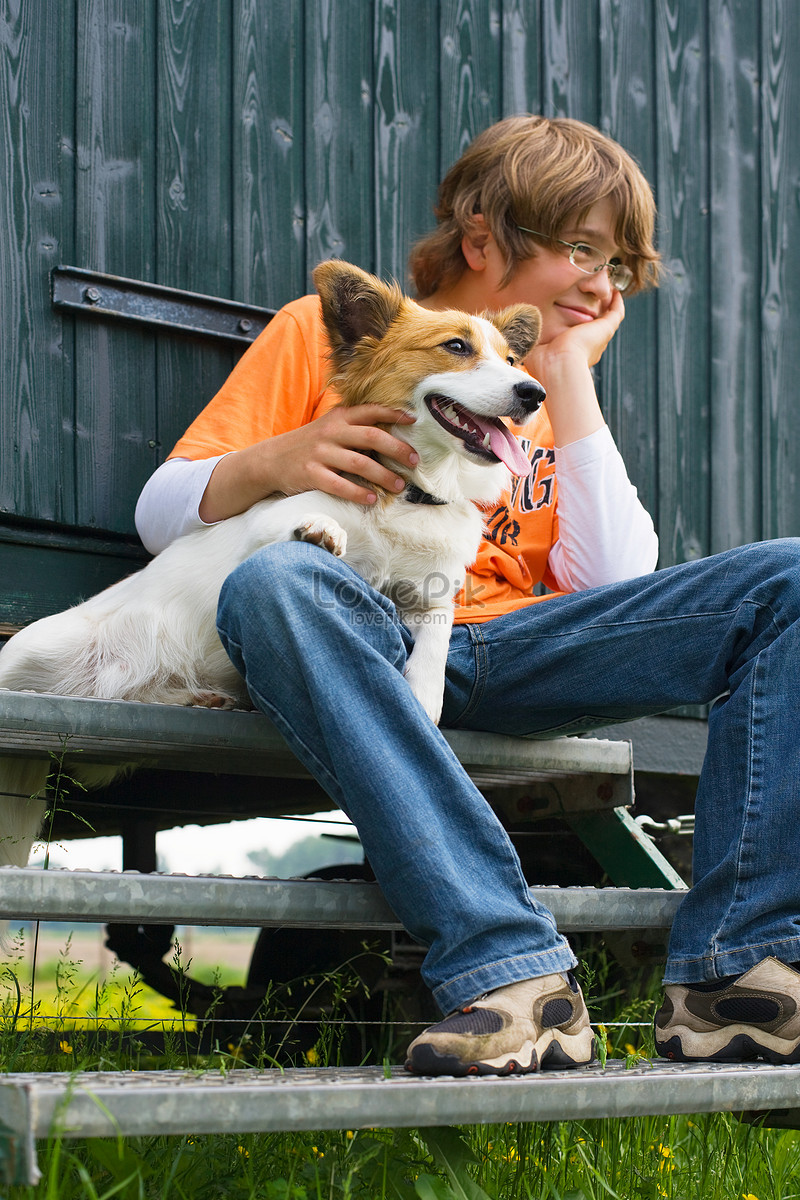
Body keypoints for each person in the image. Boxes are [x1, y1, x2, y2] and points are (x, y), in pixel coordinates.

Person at [135, 114, 800, 1076]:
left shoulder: (524, 391)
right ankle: (511, 973)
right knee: (277, 579)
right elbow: (161, 511)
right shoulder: (328, 338)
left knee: (786, 578)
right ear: (482, 237)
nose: (603, 284)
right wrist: (273, 462)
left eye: (617, 266)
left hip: (508, 652)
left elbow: (617, 585)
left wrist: (567, 373)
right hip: (362, 628)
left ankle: (735, 982)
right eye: (581, 249)